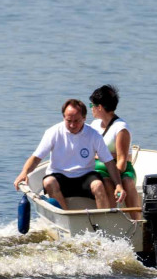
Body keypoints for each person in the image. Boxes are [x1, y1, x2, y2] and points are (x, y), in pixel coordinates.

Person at [14, 99, 124, 210]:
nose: (72, 125)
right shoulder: (53, 132)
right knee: (48, 182)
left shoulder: (94, 135)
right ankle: (66, 217)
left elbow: (109, 162)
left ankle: (104, 222)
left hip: (85, 176)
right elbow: (36, 157)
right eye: (68, 120)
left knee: (99, 185)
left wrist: (119, 185)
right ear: (63, 118)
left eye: (76, 121)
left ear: (84, 118)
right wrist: (24, 172)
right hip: (59, 176)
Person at [88, 85, 141, 217]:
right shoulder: (94, 125)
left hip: (120, 168)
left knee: (127, 183)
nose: (91, 109)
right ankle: (110, 220)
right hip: (100, 168)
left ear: (99, 107)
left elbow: (122, 162)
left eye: (92, 105)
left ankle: (138, 221)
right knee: (105, 182)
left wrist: (116, 179)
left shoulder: (120, 128)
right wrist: (109, 155)